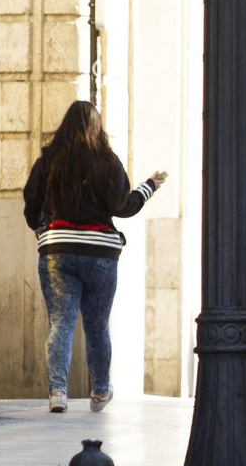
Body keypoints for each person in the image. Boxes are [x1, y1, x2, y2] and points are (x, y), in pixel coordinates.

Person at [22, 100, 167, 413]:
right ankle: (100, 391)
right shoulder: (107, 161)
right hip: (100, 253)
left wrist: (38, 225)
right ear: (96, 127)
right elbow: (122, 206)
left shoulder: (50, 160)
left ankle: (58, 392)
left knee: (60, 322)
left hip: (57, 250)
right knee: (97, 324)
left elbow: (31, 199)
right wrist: (149, 187)